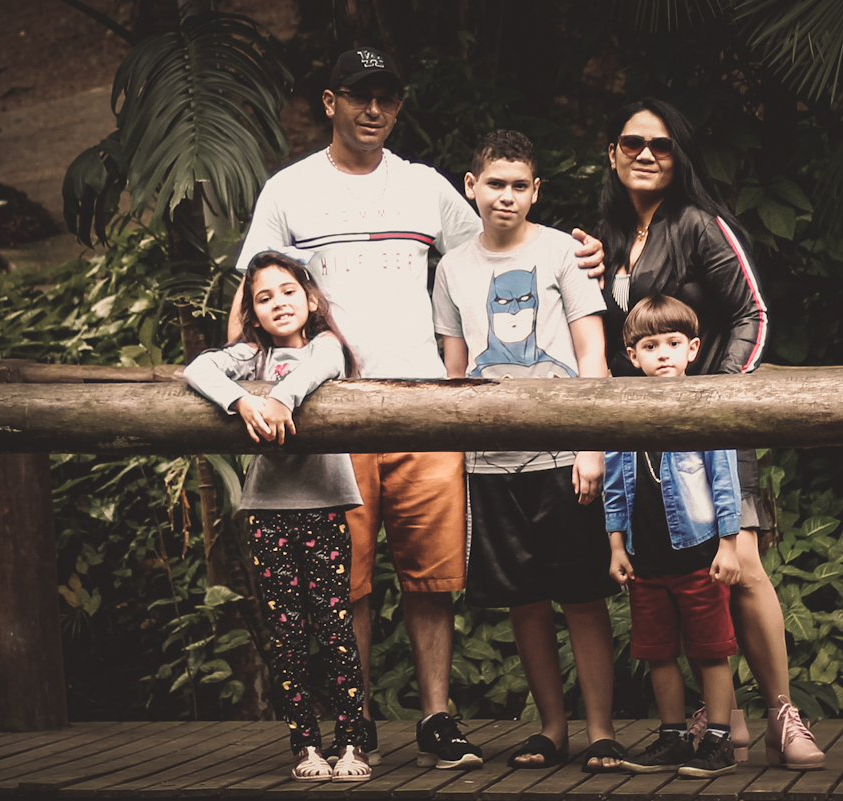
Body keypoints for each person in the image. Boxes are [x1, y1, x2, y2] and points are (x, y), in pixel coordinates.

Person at [228, 47, 604, 770]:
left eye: (387, 97)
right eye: (359, 95)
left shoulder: (425, 186)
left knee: (432, 577)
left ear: (398, 106)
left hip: (426, 403)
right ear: (330, 102)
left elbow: (498, 249)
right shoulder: (288, 190)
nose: (374, 109)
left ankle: (436, 717)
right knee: (348, 582)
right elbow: (252, 296)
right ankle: (356, 722)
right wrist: (252, 385)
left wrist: (579, 253)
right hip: (330, 411)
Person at [597, 97, 825, 771]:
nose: (646, 153)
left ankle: (782, 712)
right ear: (612, 153)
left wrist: (714, 399)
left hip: (714, 423)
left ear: (680, 156)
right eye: (632, 142)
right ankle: (726, 723)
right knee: (680, 571)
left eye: (661, 144)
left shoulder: (698, 223)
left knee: (742, 565)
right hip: (645, 435)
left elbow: (752, 312)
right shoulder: (609, 237)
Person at [432, 130, 625, 774]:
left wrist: (590, 446)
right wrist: (459, 460)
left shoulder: (562, 252)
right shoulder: (452, 268)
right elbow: (455, 370)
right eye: (495, 184)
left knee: (582, 594)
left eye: (519, 185)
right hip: (489, 463)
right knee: (525, 598)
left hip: (565, 458)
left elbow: (592, 353)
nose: (506, 196)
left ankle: (601, 732)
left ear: (536, 190)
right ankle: (552, 729)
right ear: (472, 186)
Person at [184, 251, 370, 784]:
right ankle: (305, 745)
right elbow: (197, 369)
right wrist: (242, 402)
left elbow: (319, 368)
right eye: (264, 298)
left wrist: (282, 400)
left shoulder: (325, 345)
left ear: (309, 298)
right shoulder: (252, 357)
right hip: (268, 511)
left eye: (288, 292)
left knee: (334, 627)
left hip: (324, 506)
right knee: (286, 633)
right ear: (253, 312)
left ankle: (352, 743)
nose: (279, 303)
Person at [605, 294, 741, 779]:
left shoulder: (706, 410)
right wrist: (616, 546)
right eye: (650, 346)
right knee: (656, 653)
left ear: (693, 349)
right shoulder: (623, 415)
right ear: (632, 356)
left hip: (698, 556)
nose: (662, 353)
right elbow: (614, 486)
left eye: (673, 343)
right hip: (645, 561)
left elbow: (724, 481)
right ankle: (673, 737)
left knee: (710, 650)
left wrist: (729, 544)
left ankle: (720, 740)